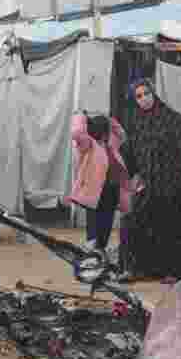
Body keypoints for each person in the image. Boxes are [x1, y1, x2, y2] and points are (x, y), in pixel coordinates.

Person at [119, 79, 181, 284]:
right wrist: (134, 176)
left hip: (169, 182)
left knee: (170, 225)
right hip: (146, 182)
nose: (144, 98)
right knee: (134, 222)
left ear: (154, 93)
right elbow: (131, 151)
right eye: (139, 96)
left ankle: (174, 271)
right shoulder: (136, 122)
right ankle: (136, 269)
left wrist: (179, 179)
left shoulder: (172, 119)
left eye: (146, 93)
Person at [67, 112, 131, 263]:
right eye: (106, 129)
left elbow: (123, 134)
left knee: (106, 226)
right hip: (95, 193)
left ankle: (100, 256)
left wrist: (111, 120)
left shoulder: (112, 145)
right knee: (94, 229)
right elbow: (76, 132)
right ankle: (92, 259)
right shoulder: (88, 145)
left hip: (112, 190)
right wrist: (80, 117)